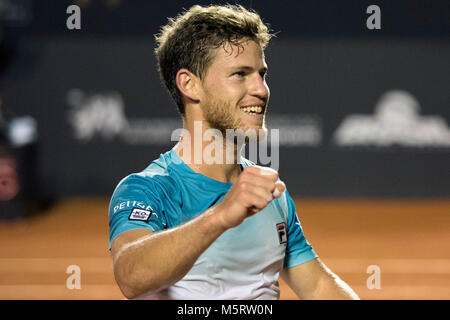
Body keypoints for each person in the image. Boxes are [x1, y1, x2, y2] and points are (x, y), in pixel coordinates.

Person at [108, 4, 359, 300]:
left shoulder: (267, 193)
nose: (262, 89)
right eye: (240, 74)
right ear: (190, 85)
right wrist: (221, 215)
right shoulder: (147, 189)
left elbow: (318, 286)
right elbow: (131, 276)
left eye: (261, 74)